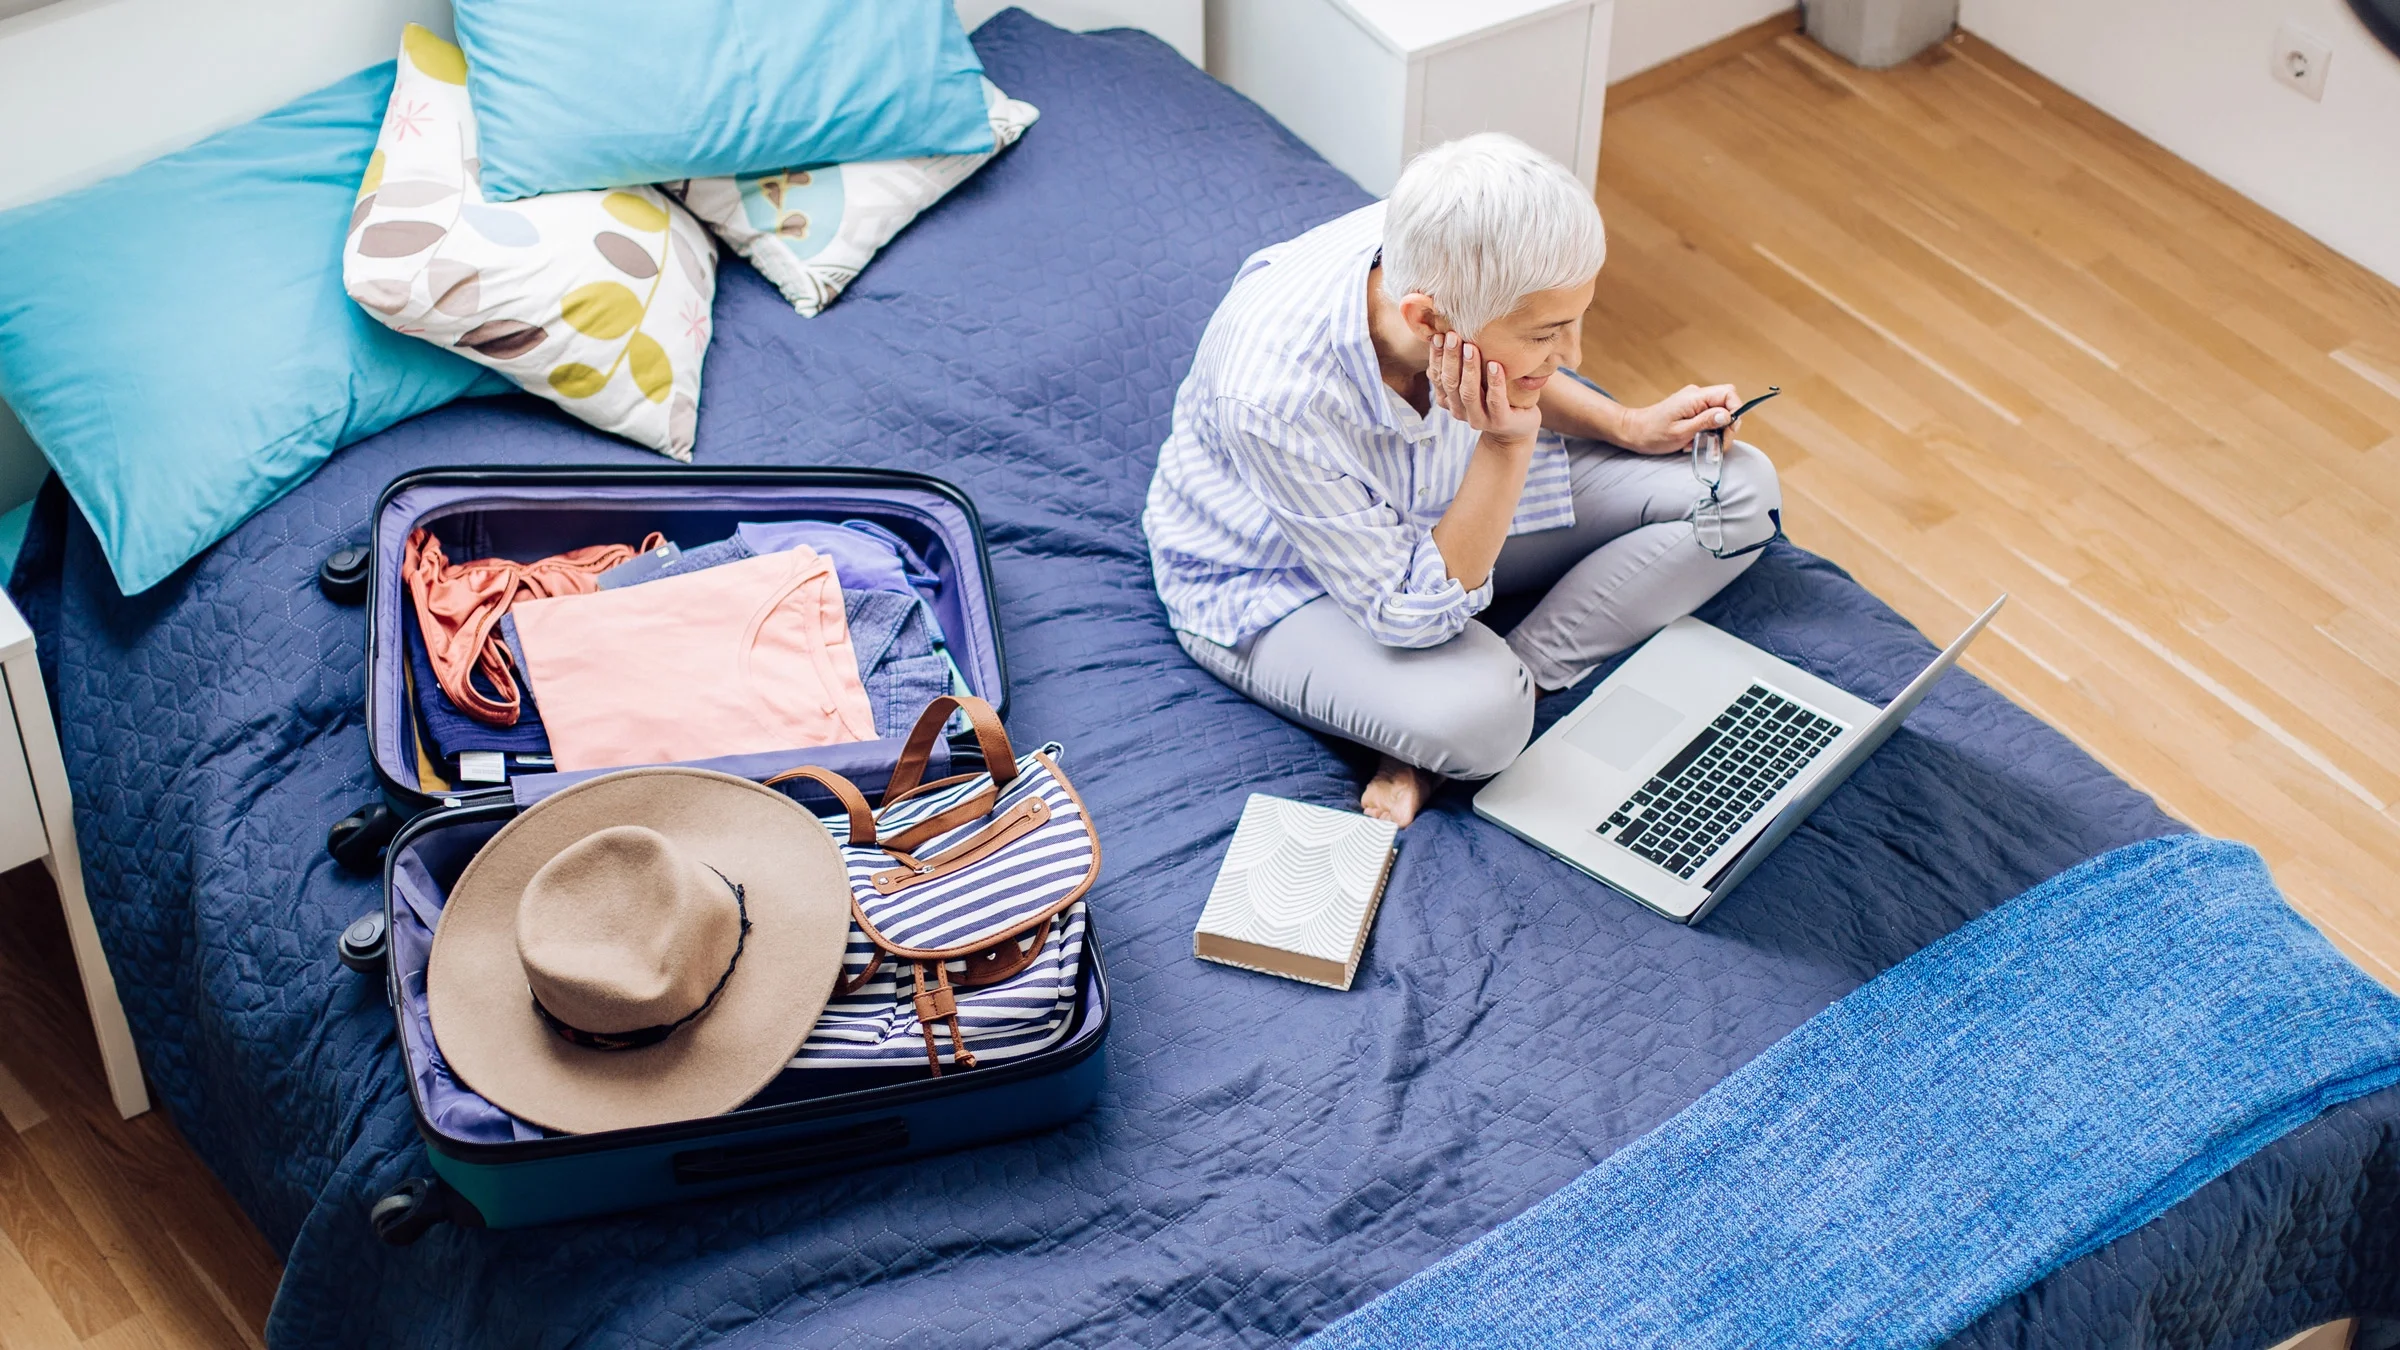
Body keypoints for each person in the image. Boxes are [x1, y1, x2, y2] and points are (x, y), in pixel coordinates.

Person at [1143, 133, 1782, 826]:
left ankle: (1520, 677)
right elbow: (1405, 613)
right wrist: (1506, 447)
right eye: (1546, 335)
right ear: (1427, 318)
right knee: (1483, 725)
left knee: (1737, 491)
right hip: (1280, 576)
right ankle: (1470, 707)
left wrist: (1629, 425)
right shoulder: (1272, 398)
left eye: (1574, 322)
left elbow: (1511, 377)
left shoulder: (1446, 245)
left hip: (1439, 498)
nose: (1572, 354)